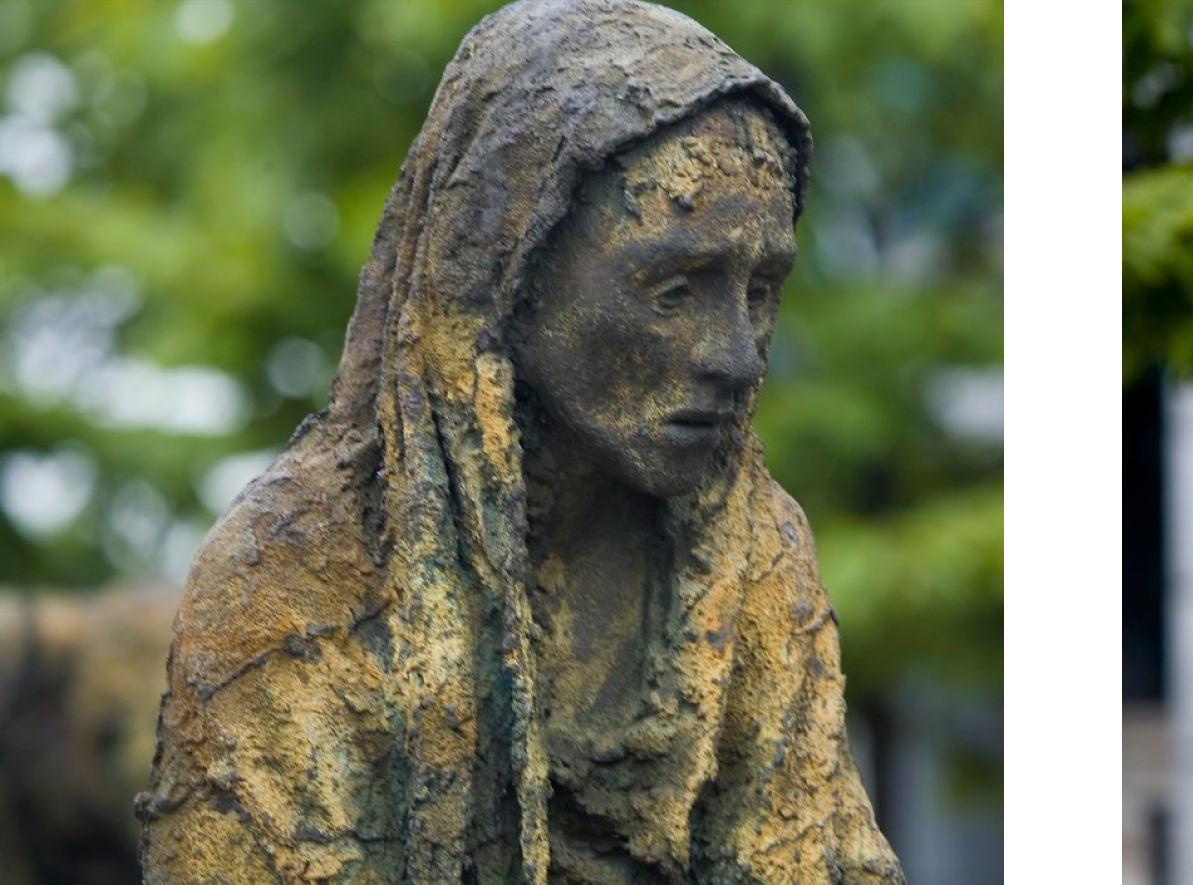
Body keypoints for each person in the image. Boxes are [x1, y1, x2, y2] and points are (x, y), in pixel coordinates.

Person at [137, 2, 902, 882]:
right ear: (507, 268)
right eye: (674, 289)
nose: (734, 355)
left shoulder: (755, 550)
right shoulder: (298, 579)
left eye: (761, 291)